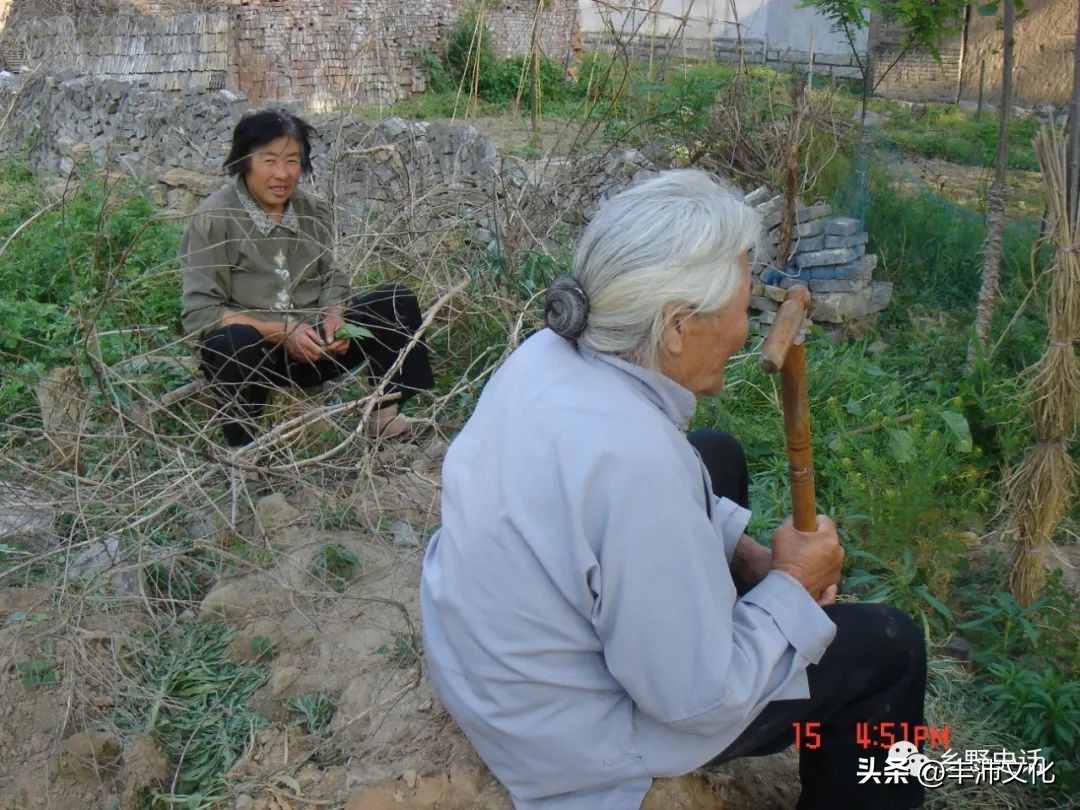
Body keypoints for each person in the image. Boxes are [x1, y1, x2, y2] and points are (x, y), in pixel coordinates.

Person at [420, 170, 927, 809]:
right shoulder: (636, 462)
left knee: (715, 454)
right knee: (891, 648)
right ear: (678, 326)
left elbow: (631, 495)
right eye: (743, 309)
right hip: (568, 732)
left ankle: (714, 608)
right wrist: (793, 591)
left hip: (483, 665)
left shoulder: (546, 356)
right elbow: (695, 700)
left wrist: (752, 559)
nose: (747, 331)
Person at [180, 110, 434, 448]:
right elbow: (200, 313)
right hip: (258, 356)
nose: (282, 174)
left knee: (395, 302)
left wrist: (333, 317)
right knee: (230, 343)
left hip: (316, 347)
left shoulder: (311, 211)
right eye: (269, 160)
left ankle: (384, 418)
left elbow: (330, 276)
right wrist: (281, 330)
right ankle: (243, 449)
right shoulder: (214, 218)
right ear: (244, 161)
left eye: (292, 161)